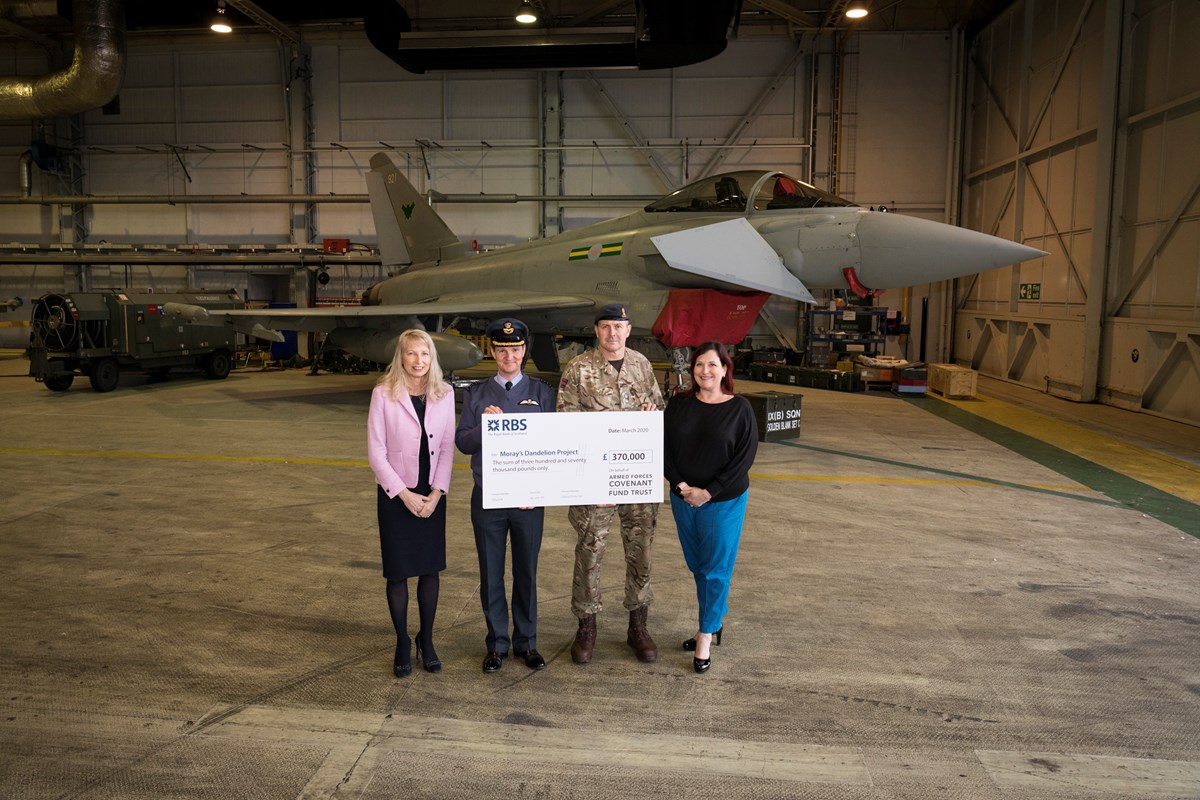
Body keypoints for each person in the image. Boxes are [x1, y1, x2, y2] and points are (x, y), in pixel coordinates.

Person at [557, 302, 664, 664]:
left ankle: (638, 626)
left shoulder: (642, 365)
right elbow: (566, 427)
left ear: (629, 330)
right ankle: (586, 626)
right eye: (605, 327)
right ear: (596, 331)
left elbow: (659, 412)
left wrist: (653, 414)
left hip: (635, 478)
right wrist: (590, 481)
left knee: (642, 551)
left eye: (618, 326)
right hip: (596, 483)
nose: (612, 333)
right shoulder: (579, 369)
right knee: (590, 552)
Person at [455, 318, 556, 674]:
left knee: (526, 572)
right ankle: (496, 643)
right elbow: (463, 443)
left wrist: (540, 489)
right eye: (501, 349)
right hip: (489, 498)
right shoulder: (477, 394)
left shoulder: (543, 393)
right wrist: (483, 423)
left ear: (524, 351)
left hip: (529, 501)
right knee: (491, 573)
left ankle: (526, 643)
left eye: (515, 349)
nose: (508, 355)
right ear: (491, 351)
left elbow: (554, 446)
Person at [663, 342, 758, 673]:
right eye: (700, 364)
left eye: (713, 364)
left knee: (716, 567)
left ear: (725, 369)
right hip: (684, 498)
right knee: (698, 565)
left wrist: (709, 491)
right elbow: (664, 451)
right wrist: (683, 488)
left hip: (724, 501)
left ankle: (706, 633)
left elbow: (743, 458)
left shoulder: (740, 408)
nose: (706, 370)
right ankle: (714, 620)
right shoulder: (678, 405)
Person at [367, 329, 456, 678]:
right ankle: (403, 641)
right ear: (400, 357)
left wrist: (437, 493)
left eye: (425, 354)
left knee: (430, 569)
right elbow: (376, 453)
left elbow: (447, 447)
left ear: (432, 358)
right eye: (411, 354)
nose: (418, 361)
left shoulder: (444, 394)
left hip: (432, 492)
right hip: (395, 493)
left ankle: (427, 639)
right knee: (398, 572)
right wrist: (404, 494)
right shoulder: (383, 394)